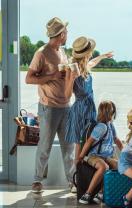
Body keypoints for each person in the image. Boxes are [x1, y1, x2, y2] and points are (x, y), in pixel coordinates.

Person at [26, 17, 78, 193]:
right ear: (61, 34)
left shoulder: (63, 51)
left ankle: (72, 181)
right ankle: (37, 181)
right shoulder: (41, 53)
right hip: (49, 107)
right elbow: (29, 78)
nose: (67, 35)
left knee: (69, 147)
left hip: (66, 107)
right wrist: (52, 76)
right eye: (66, 32)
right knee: (45, 146)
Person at [64, 36, 113, 166]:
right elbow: (67, 96)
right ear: (87, 53)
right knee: (79, 145)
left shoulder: (86, 66)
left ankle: (85, 175)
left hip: (90, 109)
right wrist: (71, 79)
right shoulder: (72, 69)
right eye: (91, 51)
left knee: (88, 141)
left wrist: (102, 56)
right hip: (80, 110)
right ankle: (77, 178)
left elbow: (93, 62)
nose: (92, 53)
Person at [77, 100, 123, 204]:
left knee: (118, 166)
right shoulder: (101, 127)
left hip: (106, 156)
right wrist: (81, 156)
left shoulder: (110, 125)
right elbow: (89, 142)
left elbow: (117, 140)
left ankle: (102, 192)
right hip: (94, 156)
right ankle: (87, 194)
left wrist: (125, 154)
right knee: (104, 167)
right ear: (110, 112)